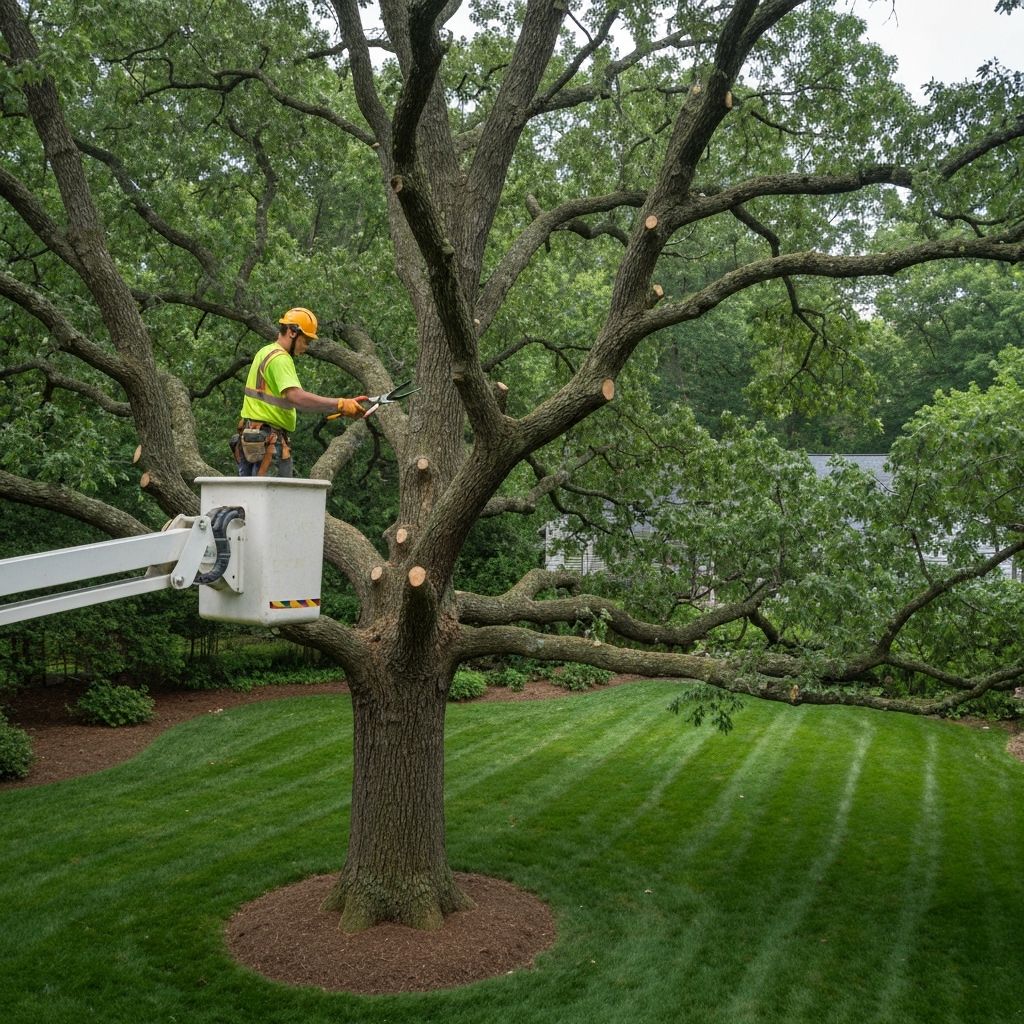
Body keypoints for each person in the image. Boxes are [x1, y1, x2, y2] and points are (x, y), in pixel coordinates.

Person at [231, 307, 367, 477]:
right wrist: (339, 404)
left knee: (250, 499)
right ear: (292, 332)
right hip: (269, 442)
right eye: (306, 341)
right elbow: (296, 397)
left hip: (251, 439)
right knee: (275, 500)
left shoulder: (265, 352)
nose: (306, 347)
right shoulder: (281, 359)